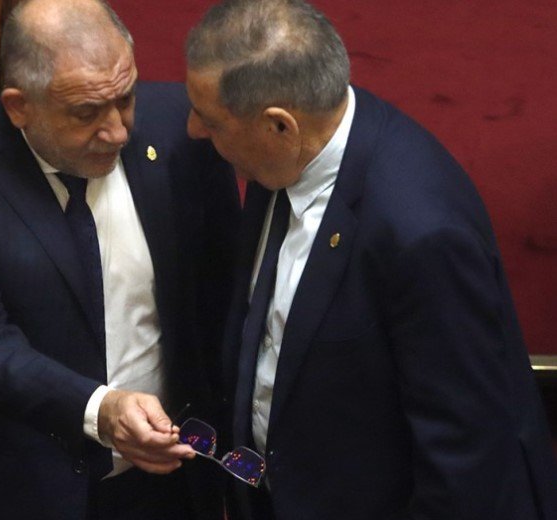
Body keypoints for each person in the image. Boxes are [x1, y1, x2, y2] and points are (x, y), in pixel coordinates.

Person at [183, 0, 557, 519]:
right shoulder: (287, 156)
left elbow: (464, 453)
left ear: (279, 126)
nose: (193, 130)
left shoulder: (421, 233)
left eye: (210, 121)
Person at [0, 0, 240, 518]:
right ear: (19, 106)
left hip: (169, 482)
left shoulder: (182, 131)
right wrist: (103, 410)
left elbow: (224, 288)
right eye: (86, 113)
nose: (118, 130)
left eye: (125, 97)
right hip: (21, 487)